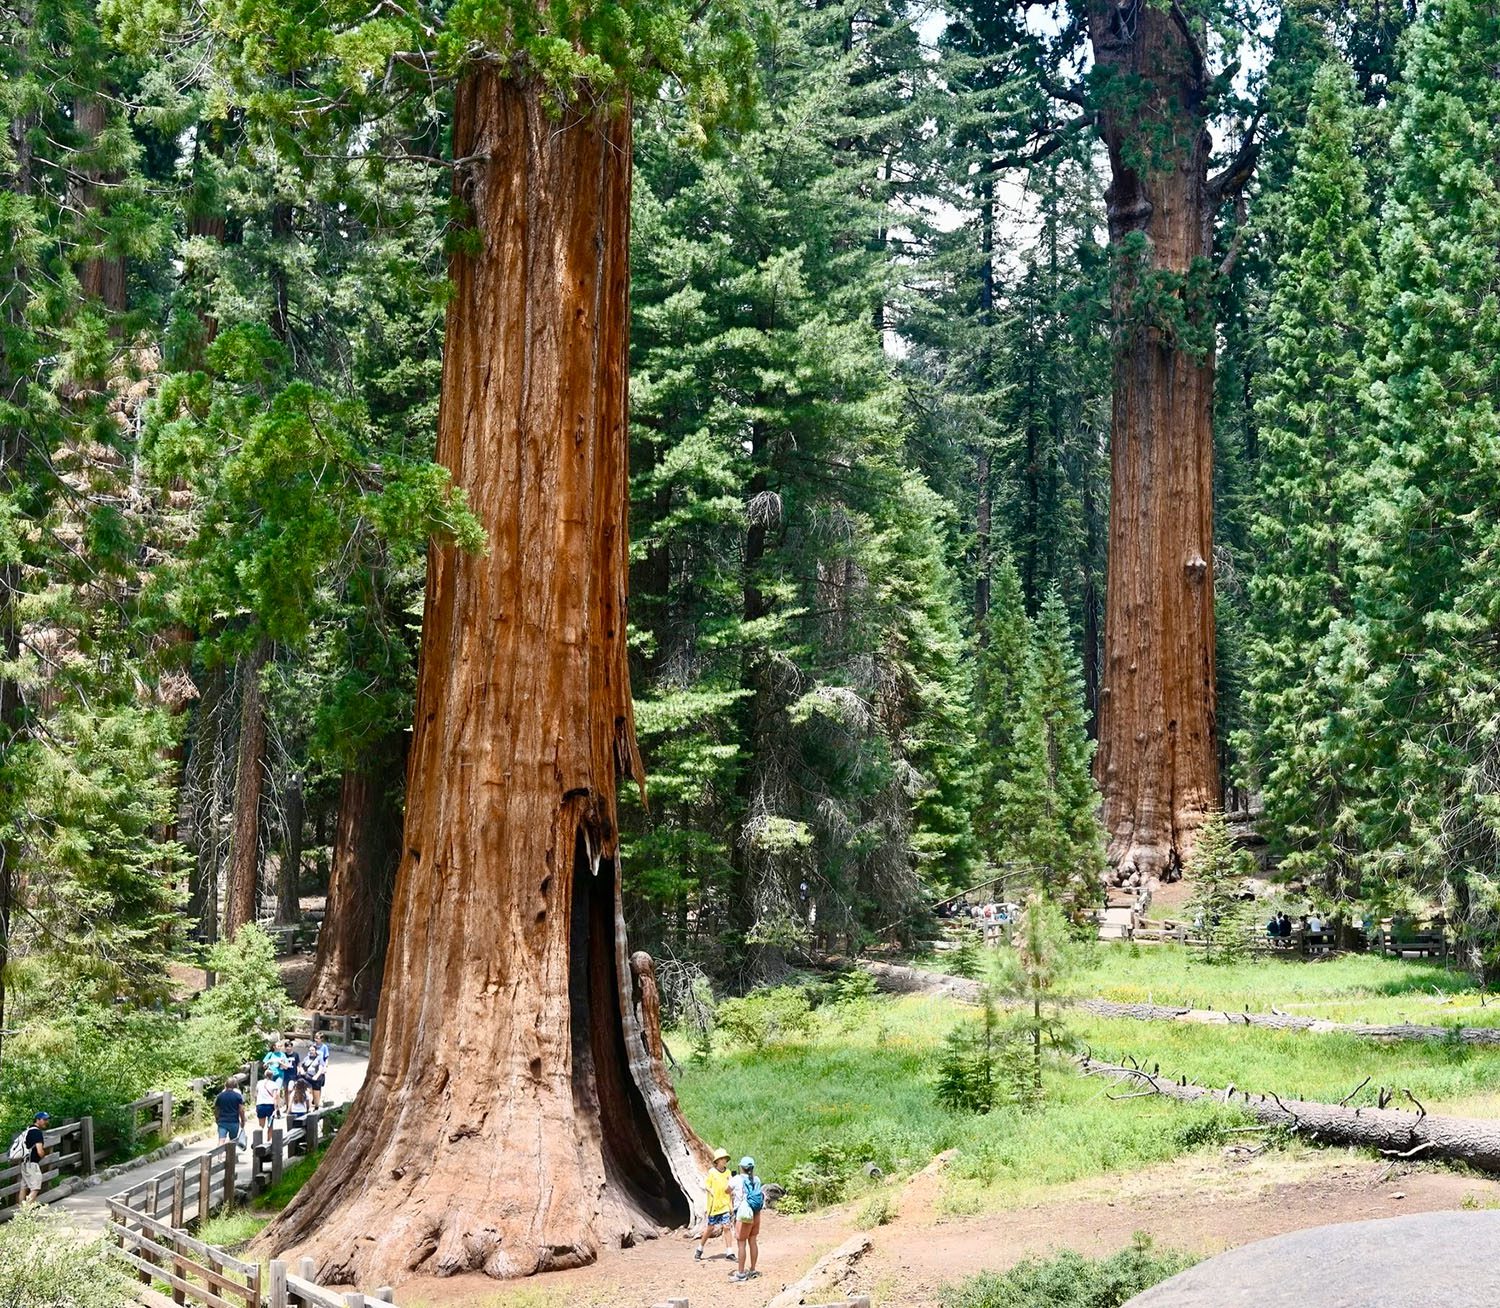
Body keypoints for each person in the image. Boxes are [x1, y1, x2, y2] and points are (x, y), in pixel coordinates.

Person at [694, 1147, 736, 1262]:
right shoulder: (712, 1172)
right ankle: (700, 1248)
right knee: (710, 1228)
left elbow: (730, 1188)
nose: (724, 1161)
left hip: (725, 1204)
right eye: (721, 1159)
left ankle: (729, 1252)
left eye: (725, 1159)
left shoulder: (728, 1173)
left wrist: (731, 1205)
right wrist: (710, 1190)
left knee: (726, 1227)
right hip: (714, 1206)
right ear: (717, 1161)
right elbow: (707, 1185)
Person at [729, 1156, 764, 1283]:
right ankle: (753, 1270)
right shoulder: (757, 1179)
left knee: (741, 1243)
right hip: (756, 1213)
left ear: (741, 1167)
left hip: (744, 1214)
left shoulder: (737, 1179)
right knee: (753, 1241)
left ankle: (741, 1273)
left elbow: (726, 1190)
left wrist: (730, 1180)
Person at [21, 1112, 48, 1202]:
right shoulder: (37, 1132)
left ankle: (21, 1213)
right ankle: (27, 1212)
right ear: (37, 1120)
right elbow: (39, 1151)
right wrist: (44, 1155)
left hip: (24, 1163)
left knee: (24, 1187)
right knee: (35, 1188)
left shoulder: (28, 1130)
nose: (46, 1122)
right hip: (32, 1164)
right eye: (44, 1119)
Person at [214, 1075, 246, 1143]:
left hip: (222, 1121)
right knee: (233, 1141)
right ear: (235, 1085)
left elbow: (216, 1109)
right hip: (234, 1121)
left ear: (225, 1085)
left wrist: (217, 1119)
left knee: (221, 1139)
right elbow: (241, 1110)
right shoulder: (238, 1096)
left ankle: (220, 1153)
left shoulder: (220, 1096)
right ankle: (231, 1153)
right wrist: (243, 1120)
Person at [302, 1037, 328, 1110]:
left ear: (316, 1050)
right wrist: (302, 1071)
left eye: (312, 1050)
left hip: (316, 1078)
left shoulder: (319, 1058)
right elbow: (302, 1065)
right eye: (310, 1050)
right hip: (308, 1077)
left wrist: (316, 1076)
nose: (311, 1051)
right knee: (309, 1092)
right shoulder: (307, 1058)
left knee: (316, 1092)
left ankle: (316, 1106)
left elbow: (320, 1068)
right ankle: (308, 1107)